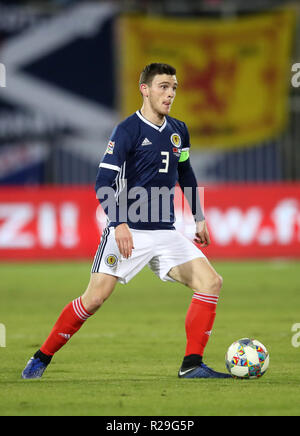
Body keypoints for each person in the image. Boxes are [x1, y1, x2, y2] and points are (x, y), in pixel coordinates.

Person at [22, 63, 231, 379]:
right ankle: (42, 357)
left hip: (166, 231)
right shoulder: (127, 130)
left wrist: (198, 215)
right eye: (163, 86)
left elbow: (185, 172)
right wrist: (118, 224)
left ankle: (192, 365)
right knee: (94, 299)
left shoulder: (178, 131)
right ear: (144, 89)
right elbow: (103, 182)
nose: (170, 93)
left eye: (174, 87)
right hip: (130, 227)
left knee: (211, 282)